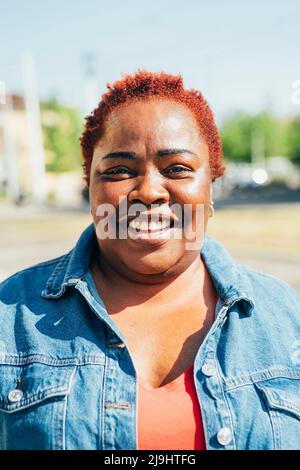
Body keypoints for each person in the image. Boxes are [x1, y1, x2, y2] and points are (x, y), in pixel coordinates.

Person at [0, 70, 299, 451]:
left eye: (177, 168)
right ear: (89, 186)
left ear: (211, 186)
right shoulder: (10, 319)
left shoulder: (287, 319)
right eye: (119, 170)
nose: (149, 192)